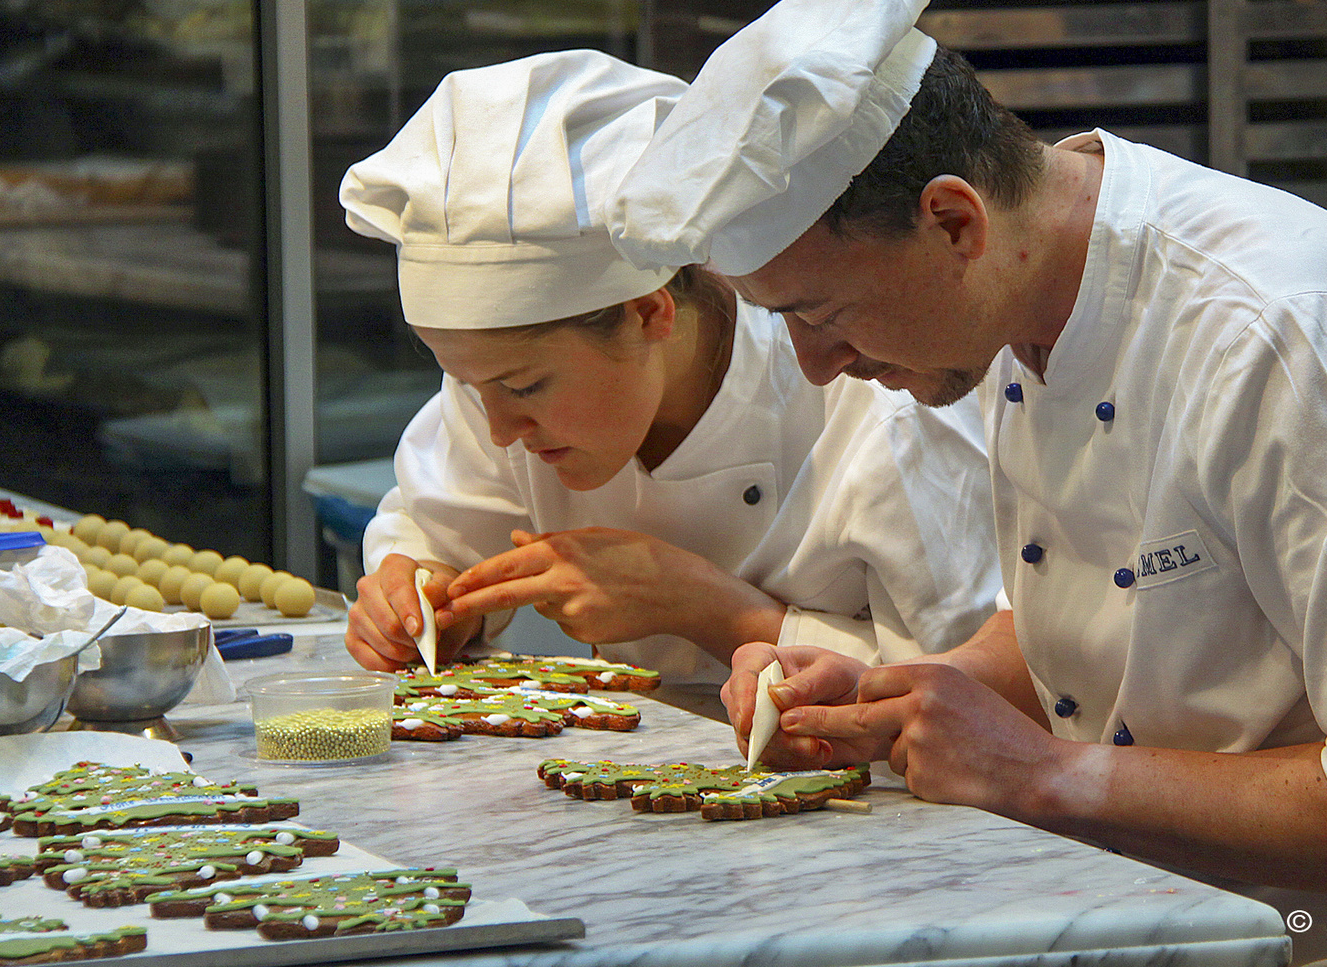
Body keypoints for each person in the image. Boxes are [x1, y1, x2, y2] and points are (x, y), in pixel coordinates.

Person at [607, 0, 1327, 964]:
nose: (820, 368)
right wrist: (894, 691)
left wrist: (1042, 776)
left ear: (953, 220)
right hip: (1191, 921)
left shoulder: (1283, 332)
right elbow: (1116, 605)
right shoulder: (1013, 305)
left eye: (821, 315)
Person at [338, 49, 999, 685]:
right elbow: (442, 532)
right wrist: (421, 598)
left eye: (524, 386)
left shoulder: (872, 387)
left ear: (650, 313)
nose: (502, 429)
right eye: (469, 383)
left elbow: (972, 692)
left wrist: (700, 606)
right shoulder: (500, 393)